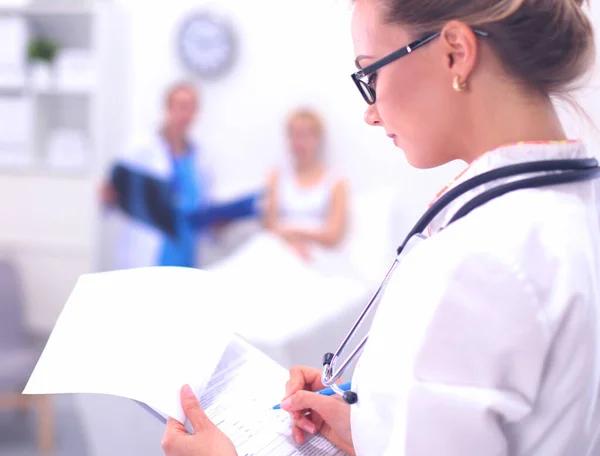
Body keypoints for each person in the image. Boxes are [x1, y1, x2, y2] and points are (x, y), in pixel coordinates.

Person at [161, 0, 600, 455]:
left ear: (455, 52)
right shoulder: (564, 210)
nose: (369, 114)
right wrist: (373, 426)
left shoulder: (479, 258)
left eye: (371, 74)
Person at [101, 81, 259, 270]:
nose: (185, 114)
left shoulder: (200, 157)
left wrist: (217, 223)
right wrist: (108, 196)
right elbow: (114, 195)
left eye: (191, 107)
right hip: (149, 249)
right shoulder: (141, 149)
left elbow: (201, 205)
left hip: (185, 250)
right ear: (167, 108)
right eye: (181, 106)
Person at [263, 108, 348, 261]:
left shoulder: (335, 182)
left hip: (317, 254)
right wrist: (291, 243)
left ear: (317, 138)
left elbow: (334, 235)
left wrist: (296, 234)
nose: (298, 142)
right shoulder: (276, 177)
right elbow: (270, 226)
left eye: (304, 135)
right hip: (279, 248)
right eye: (294, 135)